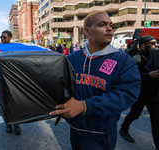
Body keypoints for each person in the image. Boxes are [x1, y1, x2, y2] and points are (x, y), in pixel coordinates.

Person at [49, 10, 141, 150]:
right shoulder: (70, 60)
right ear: (87, 30)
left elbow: (126, 94)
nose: (109, 28)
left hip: (102, 135)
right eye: (102, 25)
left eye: (110, 25)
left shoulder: (123, 61)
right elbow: (59, 87)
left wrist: (84, 105)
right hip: (76, 131)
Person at [119, 35, 159, 150]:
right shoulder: (136, 60)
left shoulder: (157, 58)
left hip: (154, 94)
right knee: (134, 115)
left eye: (155, 43)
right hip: (140, 94)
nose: (154, 45)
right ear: (142, 45)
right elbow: (131, 79)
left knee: (156, 121)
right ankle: (123, 129)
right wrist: (149, 75)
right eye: (151, 43)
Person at [0, 30, 22, 135]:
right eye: (1, 37)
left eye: (4, 37)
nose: (2, 39)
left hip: (14, 80)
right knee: (5, 103)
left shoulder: (15, 48)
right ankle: (8, 124)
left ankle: (16, 124)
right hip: (1, 79)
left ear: (10, 38)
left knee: (15, 103)